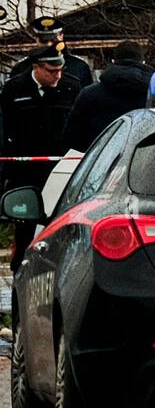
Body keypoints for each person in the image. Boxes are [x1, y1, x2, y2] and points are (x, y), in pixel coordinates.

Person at [1, 47, 79, 268]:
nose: (57, 76)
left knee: (58, 220)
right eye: (51, 71)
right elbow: (6, 129)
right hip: (25, 168)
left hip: (61, 167)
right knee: (26, 223)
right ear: (36, 67)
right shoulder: (14, 89)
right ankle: (21, 267)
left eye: (60, 70)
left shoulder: (71, 86)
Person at [63, 41, 153, 152]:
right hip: (143, 159)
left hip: (101, 161)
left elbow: (72, 137)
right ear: (143, 62)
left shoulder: (89, 94)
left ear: (113, 61)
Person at [9, 17, 94, 90]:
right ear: (37, 40)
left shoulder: (79, 66)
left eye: (53, 40)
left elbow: (87, 99)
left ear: (61, 37)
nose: (49, 44)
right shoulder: (22, 67)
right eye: (44, 41)